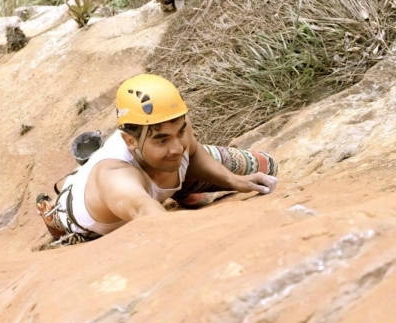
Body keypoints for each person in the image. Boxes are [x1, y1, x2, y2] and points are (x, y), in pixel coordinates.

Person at [37, 74, 278, 241]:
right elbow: (149, 214)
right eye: (162, 139)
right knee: (63, 219)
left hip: (158, 175)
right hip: (78, 211)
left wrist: (234, 181)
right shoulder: (115, 177)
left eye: (180, 132)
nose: (176, 148)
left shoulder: (174, 123)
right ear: (130, 141)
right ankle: (53, 213)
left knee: (265, 166)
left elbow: (192, 149)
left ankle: (180, 189)